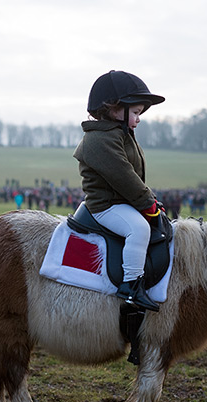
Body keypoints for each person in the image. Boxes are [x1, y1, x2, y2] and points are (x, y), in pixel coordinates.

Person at [73, 70, 165, 312]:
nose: (139, 118)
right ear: (113, 109)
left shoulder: (121, 135)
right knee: (139, 228)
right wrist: (147, 204)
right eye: (135, 112)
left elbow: (135, 175)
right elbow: (123, 176)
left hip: (121, 202)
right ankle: (131, 286)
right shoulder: (100, 140)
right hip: (106, 206)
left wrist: (152, 200)